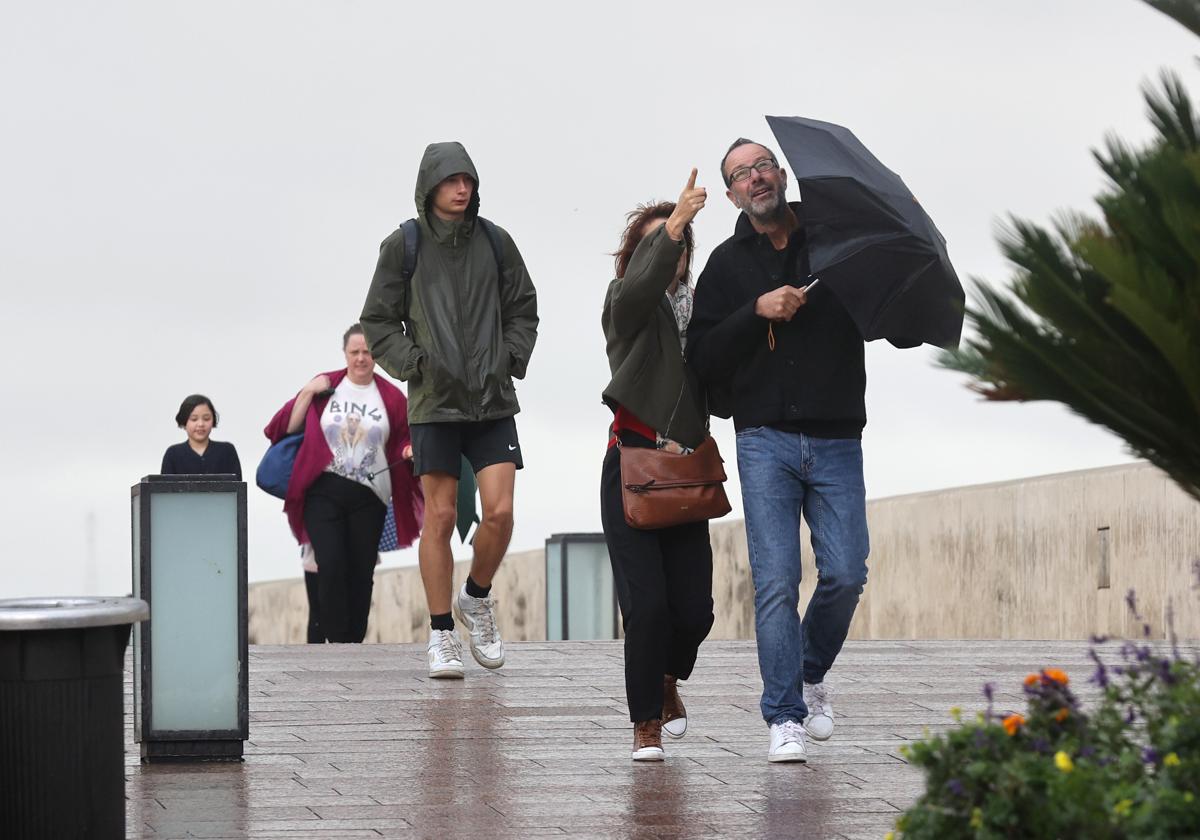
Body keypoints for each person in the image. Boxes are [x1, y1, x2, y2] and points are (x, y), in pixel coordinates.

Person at [687, 139, 872, 763]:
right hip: (763, 438)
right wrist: (756, 311)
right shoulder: (724, 264)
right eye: (740, 174)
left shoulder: (837, 244)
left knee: (847, 572)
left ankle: (810, 670)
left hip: (838, 435)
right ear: (732, 193)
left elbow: (892, 329)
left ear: (782, 174)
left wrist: (886, 251)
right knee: (775, 581)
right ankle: (784, 715)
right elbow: (702, 356)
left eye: (762, 166)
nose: (755, 178)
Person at [361, 141, 538, 679]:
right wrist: (415, 363)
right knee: (438, 516)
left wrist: (510, 357)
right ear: (429, 186)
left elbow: (523, 307)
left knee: (500, 513)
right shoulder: (404, 245)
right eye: (450, 180)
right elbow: (377, 320)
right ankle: (441, 634)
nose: (461, 189)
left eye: (467, 180)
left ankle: (476, 598)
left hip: (491, 400)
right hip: (435, 402)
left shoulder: (495, 241)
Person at [600, 172, 715, 762]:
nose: (670, 250)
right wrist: (669, 226)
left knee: (695, 611)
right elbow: (642, 288)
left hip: (688, 472)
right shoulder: (625, 305)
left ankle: (669, 676)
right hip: (632, 469)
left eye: (678, 241)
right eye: (653, 244)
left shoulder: (703, 313)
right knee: (644, 607)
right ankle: (645, 719)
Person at [263, 324, 423, 644]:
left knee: (361, 572)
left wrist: (408, 449)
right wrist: (308, 391)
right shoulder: (327, 385)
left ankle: (353, 643)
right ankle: (336, 644)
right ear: (345, 354)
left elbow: (407, 438)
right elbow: (287, 428)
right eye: (355, 352)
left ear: (376, 355)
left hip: (370, 494)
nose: (361, 358)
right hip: (323, 488)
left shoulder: (390, 397)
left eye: (367, 352)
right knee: (331, 564)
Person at [161, 394, 242, 480]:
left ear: (213, 420)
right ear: (184, 421)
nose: (201, 424)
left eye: (206, 418)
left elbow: (238, 490)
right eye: (194, 419)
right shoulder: (173, 454)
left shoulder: (227, 451)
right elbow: (164, 491)